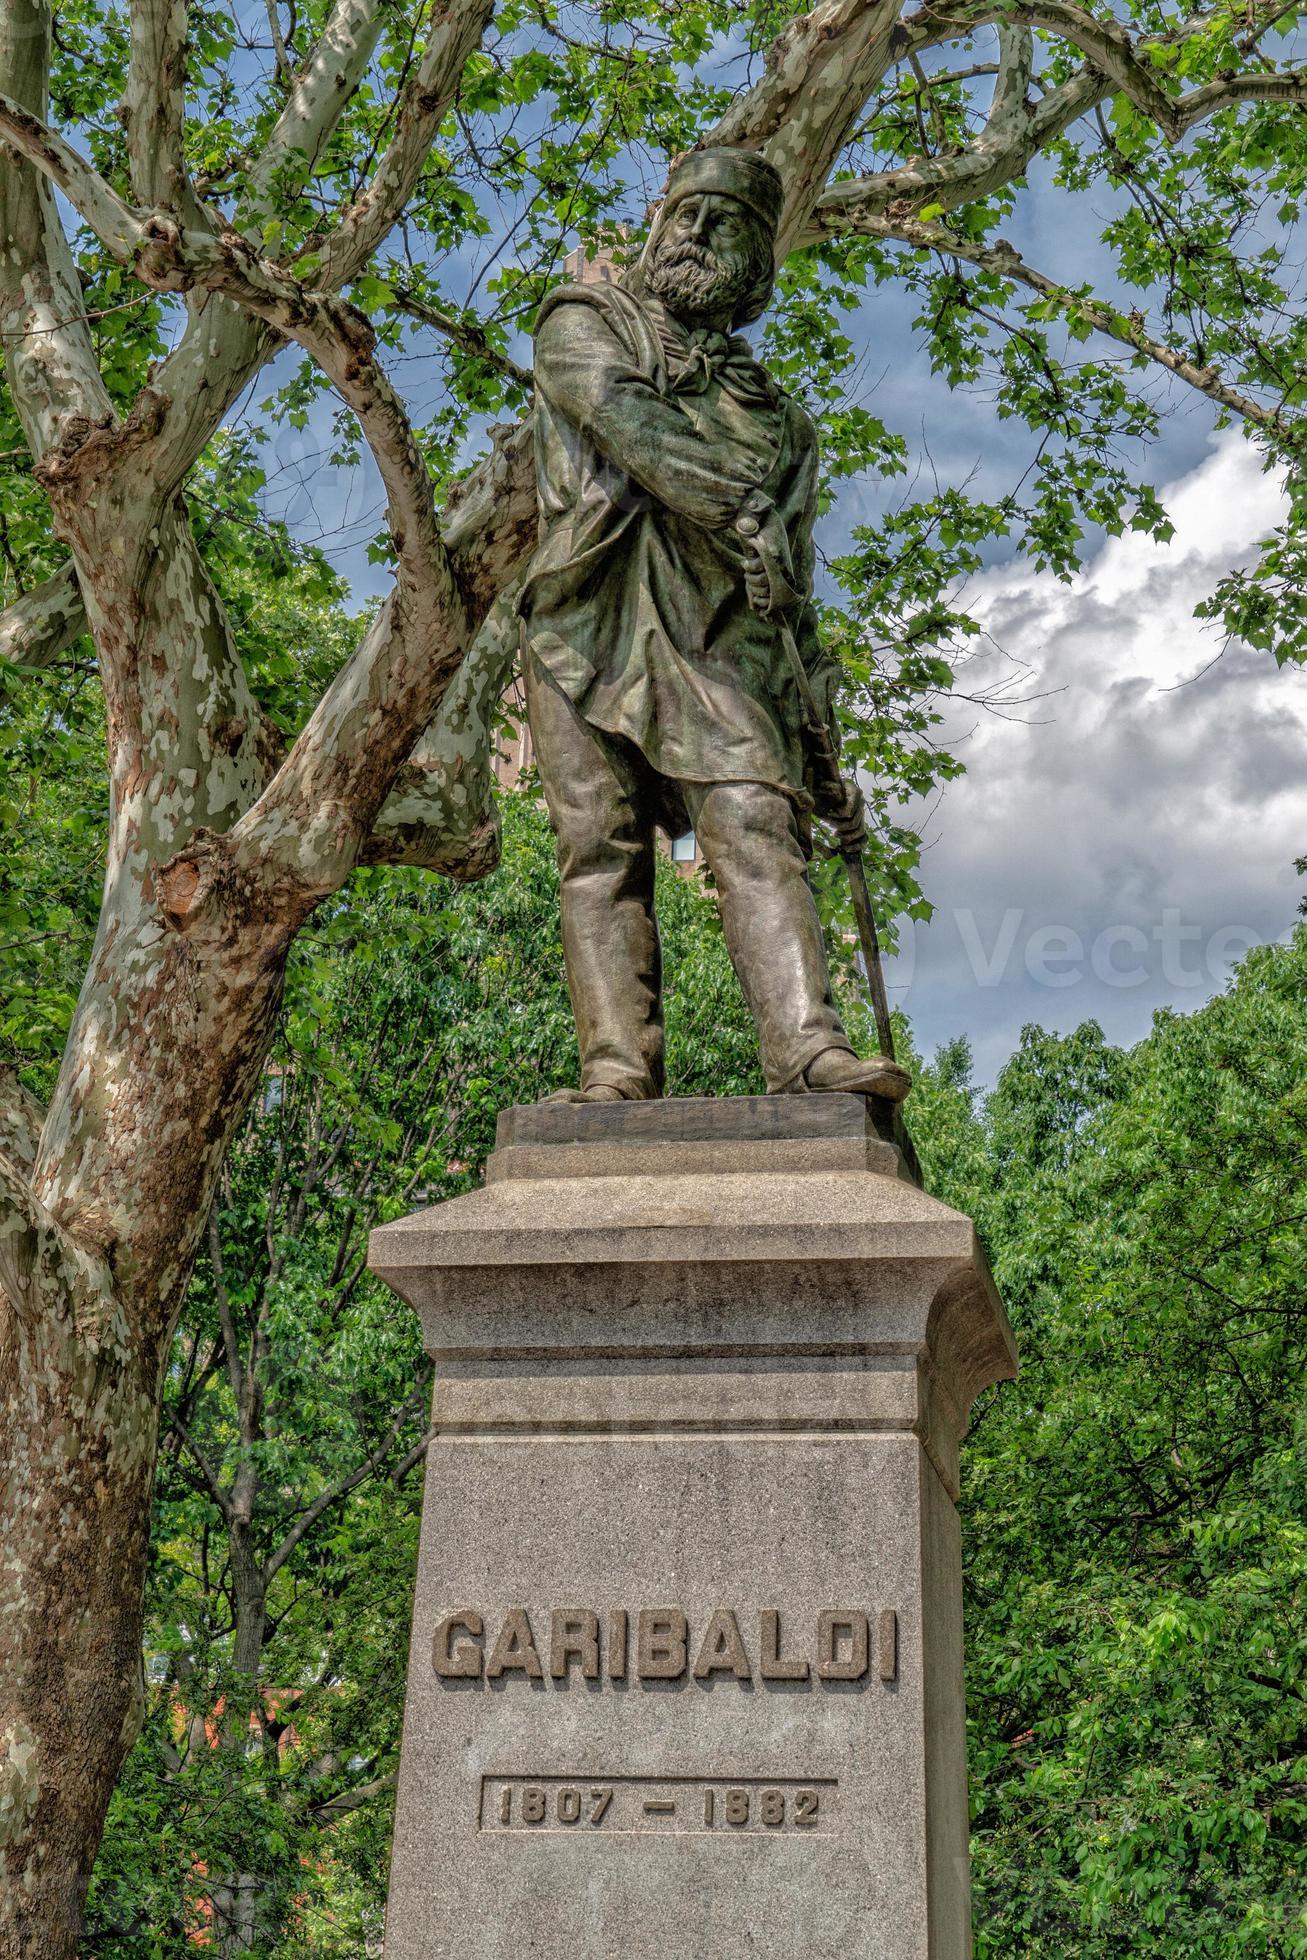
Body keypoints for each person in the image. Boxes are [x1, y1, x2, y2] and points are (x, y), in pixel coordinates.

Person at [519, 145, 911, 1105]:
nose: (691, 234)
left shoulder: (783, 422)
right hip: (586, 624)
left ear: (754, 269)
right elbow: (627, 423)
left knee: (753, 818)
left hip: (722, 643)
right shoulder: (583, 324)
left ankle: (807, 1050)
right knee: (598, 851)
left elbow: (796, 600)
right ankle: (615, 1072)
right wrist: (737, 510)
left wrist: (823, 760)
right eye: (681, 216)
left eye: (720, 222)